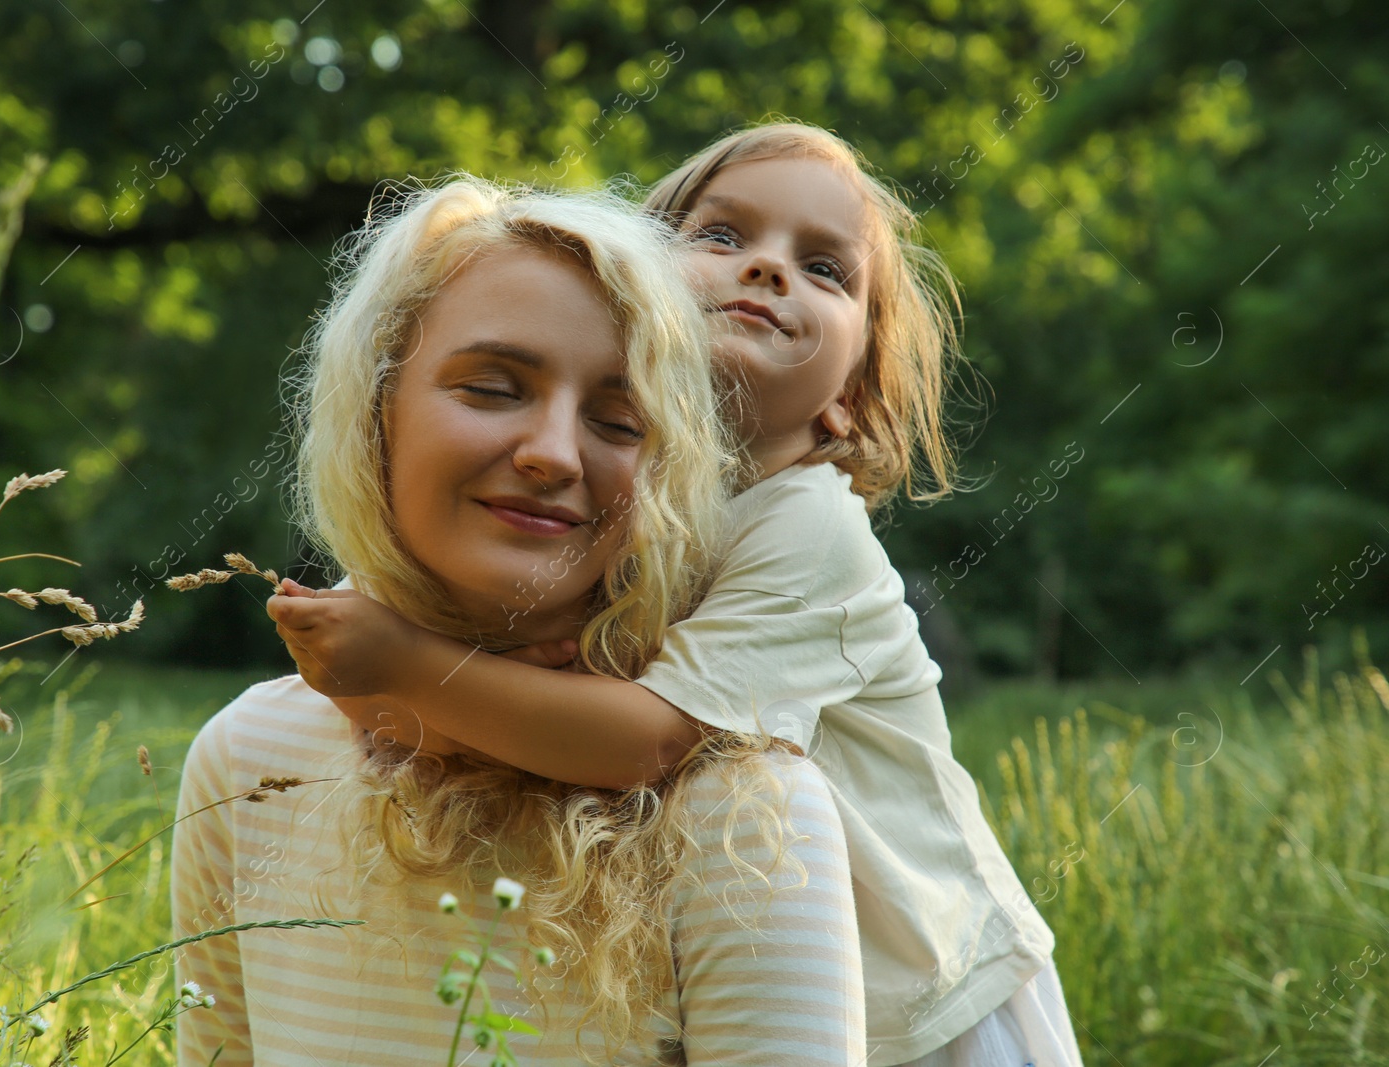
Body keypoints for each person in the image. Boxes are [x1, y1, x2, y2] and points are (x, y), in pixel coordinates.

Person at [273, 124, 1084, 1066]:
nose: (770, 271)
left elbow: (648, 739)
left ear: (848, 399)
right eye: (724, 236)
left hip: (925, 995)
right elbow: (361, 669)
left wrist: (421, 671)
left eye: (825, 267)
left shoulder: (808, 529)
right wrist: (418, 670)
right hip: (745, 970)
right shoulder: (605, 489)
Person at [173, 176, 865, 1066]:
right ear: (375, 410)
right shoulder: (248, 759)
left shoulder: (742, 812)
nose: (550, 453)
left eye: (620, 420)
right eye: (494, 389)